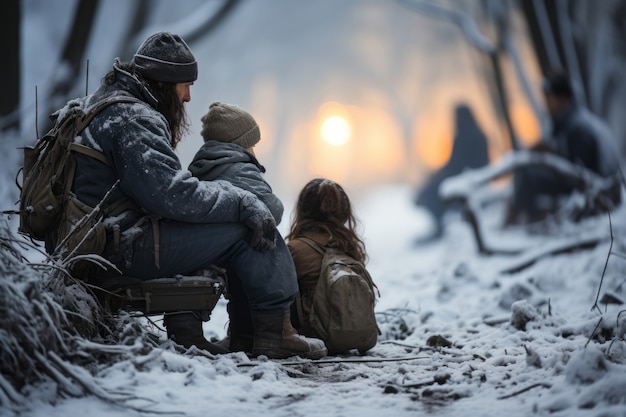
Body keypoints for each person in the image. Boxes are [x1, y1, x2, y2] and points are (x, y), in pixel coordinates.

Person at [51, 31, 326, 359]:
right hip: (120, 248)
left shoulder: (108, 105)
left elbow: (162, 193)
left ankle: (195, 334)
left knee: (226, 220)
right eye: (186, 86)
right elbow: (171, 195)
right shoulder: (131, 118)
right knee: (246, 226)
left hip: (105, 241)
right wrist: (241, 201)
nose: (188, 98)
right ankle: (275, 333)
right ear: (165, 83)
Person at [188, 102, 283, 352]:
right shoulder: (239, 168)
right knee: (266, 237)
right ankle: (276, 332)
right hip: (231, 255)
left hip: (205, 249)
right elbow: (274, 211)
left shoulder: (202, 166)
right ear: (239, 144)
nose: (254, 149)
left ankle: (242, 333)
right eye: (251, 143)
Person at [508, 71, 622, 223]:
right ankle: (523, 219)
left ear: (563, 98)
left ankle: (523, 221)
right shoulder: (572, 122)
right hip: (590, 185)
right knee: (528, 169)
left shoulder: (578, 128)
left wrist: (550, 156)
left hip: (596, 190)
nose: (547, 103)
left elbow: (579, 171)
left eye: (550, 97)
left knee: (528, 173)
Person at [285, 178, 367, 337]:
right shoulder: (349, 248)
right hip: (353, 333)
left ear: (302, 211)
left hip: (313, 334)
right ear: (344, 213)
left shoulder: (294, 249)